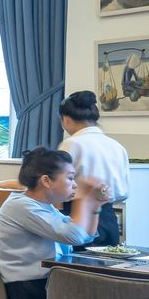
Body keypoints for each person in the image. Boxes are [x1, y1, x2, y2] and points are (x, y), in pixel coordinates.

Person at [0, 147, 102, 299]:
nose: (74, 185)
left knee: (96, 296)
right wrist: (84, 199)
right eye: (70, 178)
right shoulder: (21, 206)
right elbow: (73, 236)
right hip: (21, 286)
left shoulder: (43, 205)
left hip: (41, 281)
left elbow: (84, 235)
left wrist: (96, 205)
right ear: (46, 181)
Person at [57, 91, 129, 248]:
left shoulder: (72, 144)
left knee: (76, 262)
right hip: (109, 217)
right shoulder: (117, 146)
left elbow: (58, 186)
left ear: (66, 119)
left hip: (78, 216)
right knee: (107, 263)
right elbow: (123, 193)